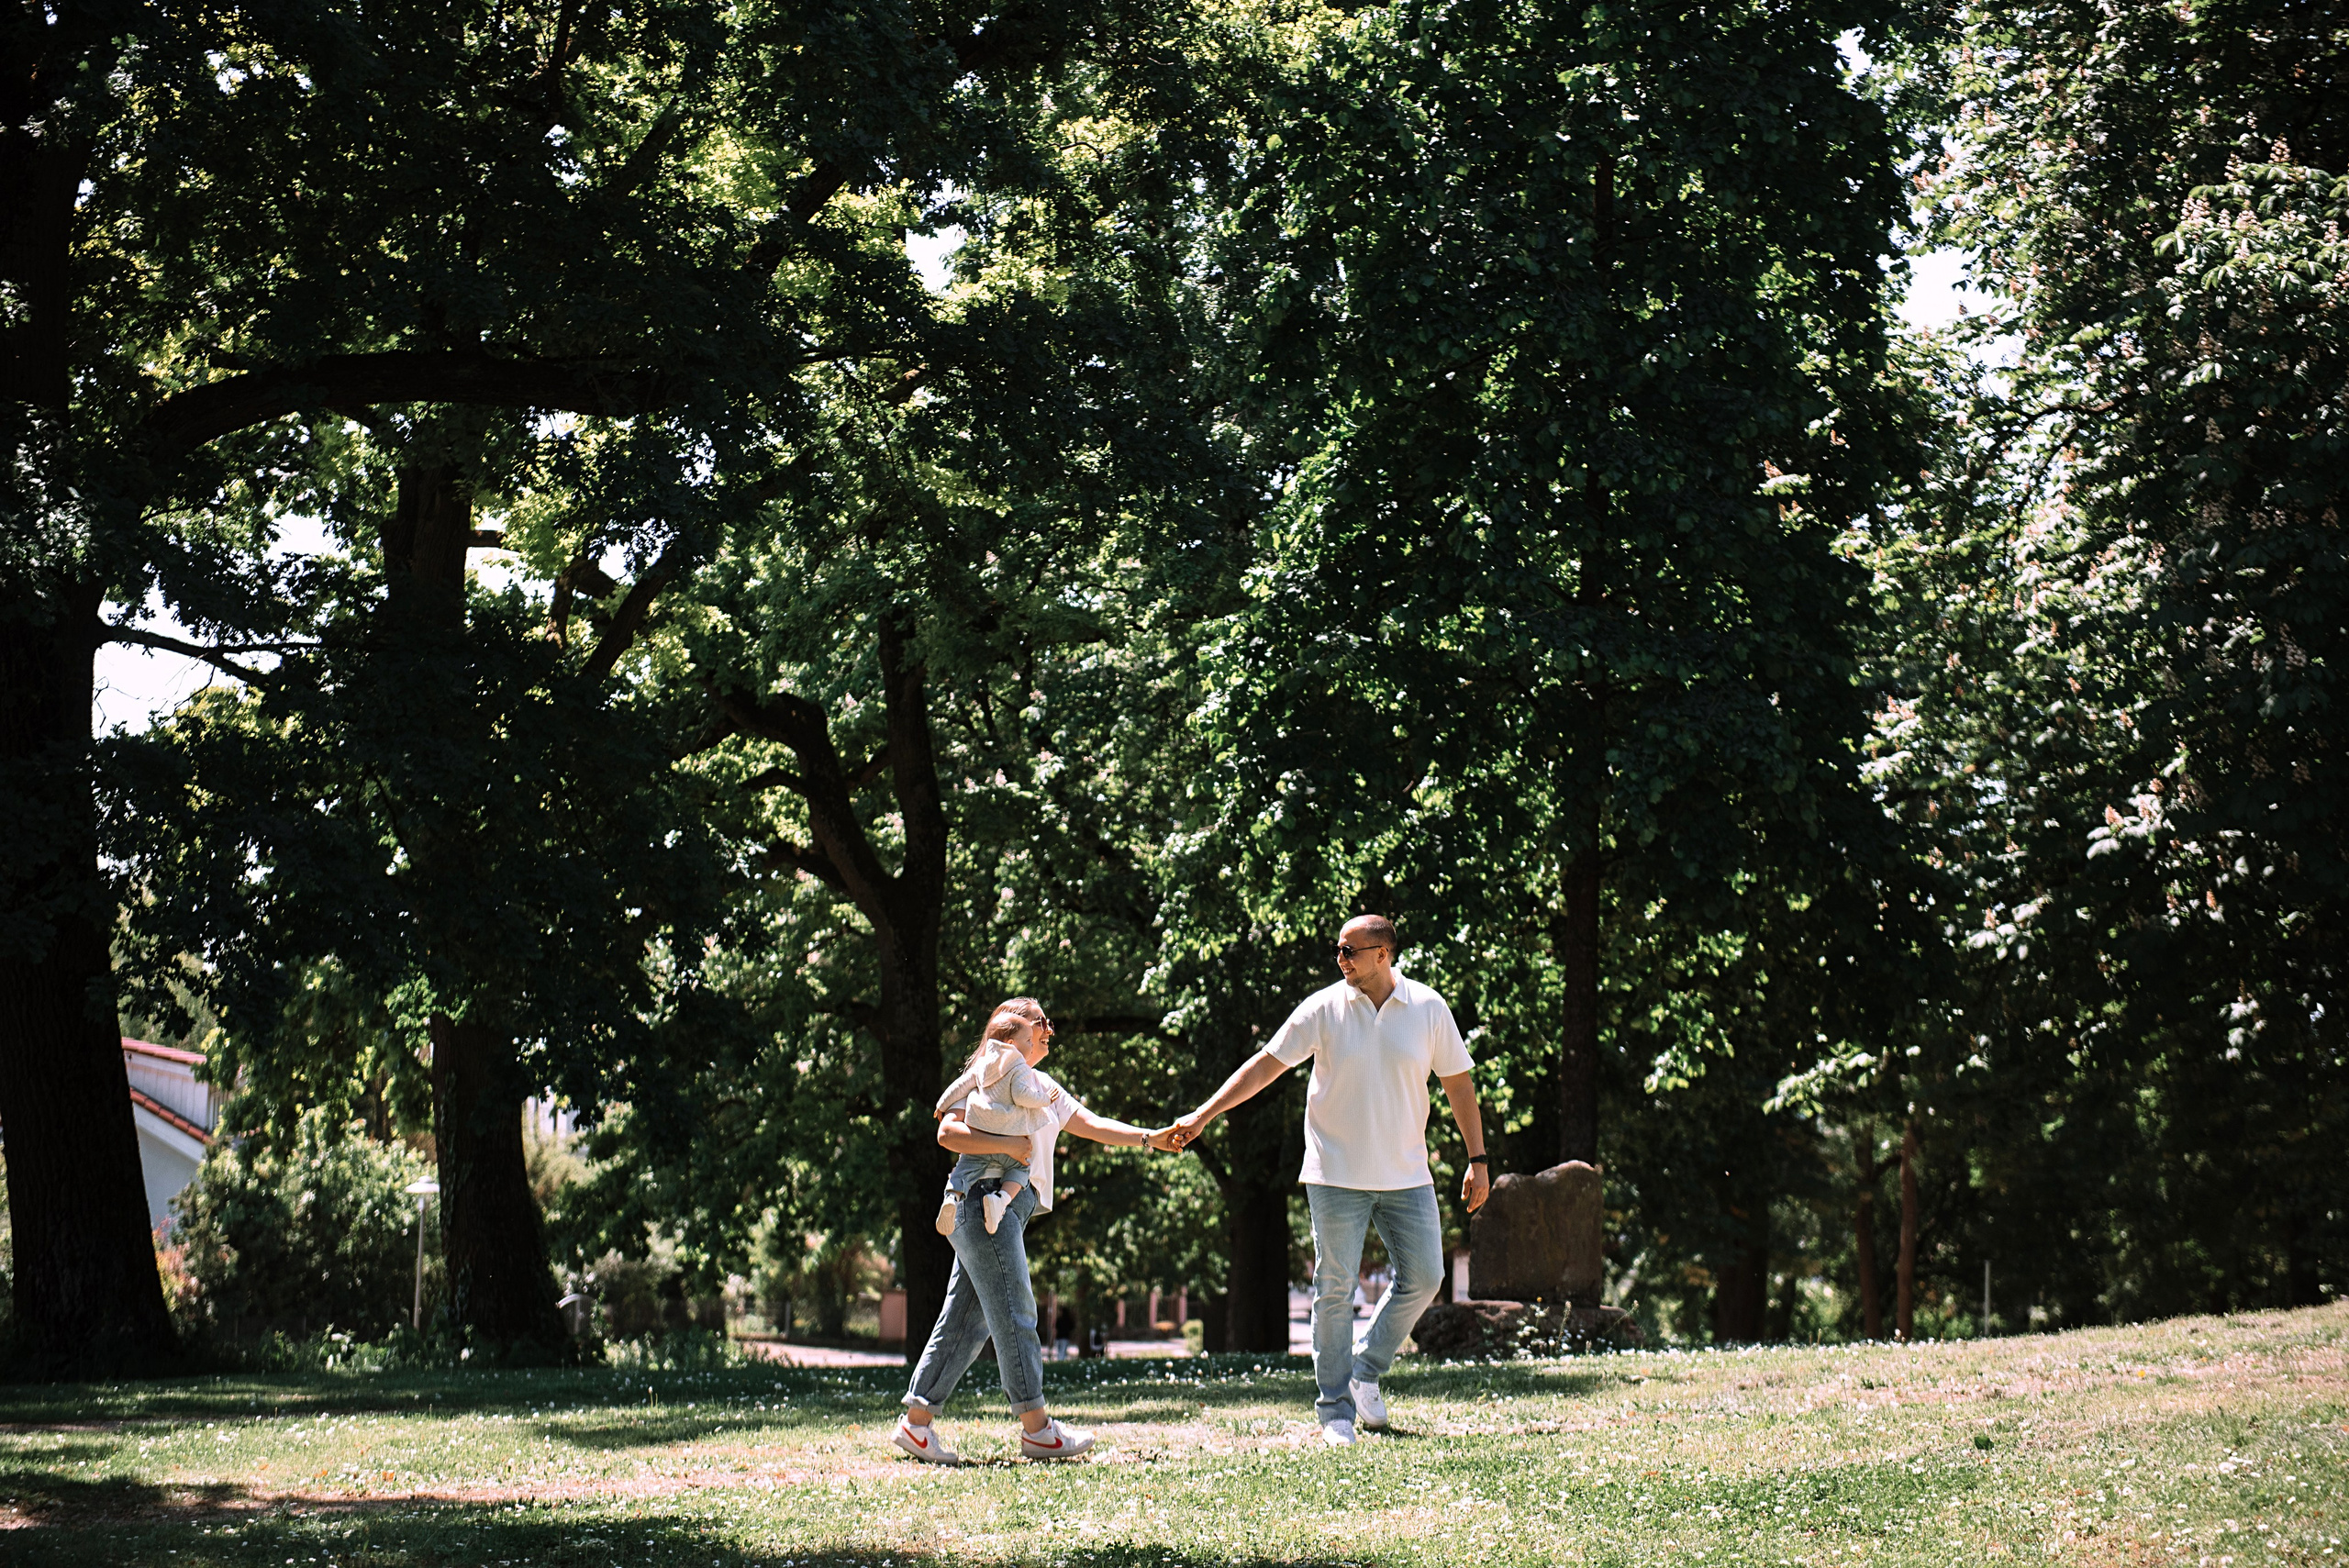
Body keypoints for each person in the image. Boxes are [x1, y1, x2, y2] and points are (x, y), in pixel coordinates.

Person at [1167, 915, 1489, 1446]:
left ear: (1383, 953)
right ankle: (1335, 1410)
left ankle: (1366, 1369)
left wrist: (1478, 1158)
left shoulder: (1428, 1008)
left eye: (1350, 950)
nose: (1340, 960)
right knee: (1333, 1290)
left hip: (1407, 1174)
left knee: (1426, 1276)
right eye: (1338, 950)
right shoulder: (1323, 1007)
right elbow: (1264, 1065)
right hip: (1335, 1172)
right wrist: (1204, 1115)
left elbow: (1458, 1083)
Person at [893, 997, 1168, 1464]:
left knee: (967, 1320)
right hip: (983, 1200)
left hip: (1005, 1209)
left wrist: (1148, 1137)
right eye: (1042, 1023)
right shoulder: (989, 1075)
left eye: (1048, 1024)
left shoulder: (1041, 1087)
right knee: (1017, 1313)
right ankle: (1037, 1429)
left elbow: (1093, 1124)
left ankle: (916, 1425)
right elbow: (947, 1133)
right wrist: (1012, 1146)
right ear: (1013, 1033)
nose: (1048, 1032)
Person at [931, 1009, 1060, 1235]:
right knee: (1021, 1169)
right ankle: (1000, 1200)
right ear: (1011, 1044)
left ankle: (951, 1196)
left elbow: (960, 1085)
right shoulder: (1019, 1067)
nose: (1032, 1045)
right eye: (1029, 1040)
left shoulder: (982, 1066)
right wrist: (1044, 1100)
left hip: (981, 1133)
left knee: (964, 1167)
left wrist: (942, 1104)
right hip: (1007, 1140)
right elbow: (1021, 1095)